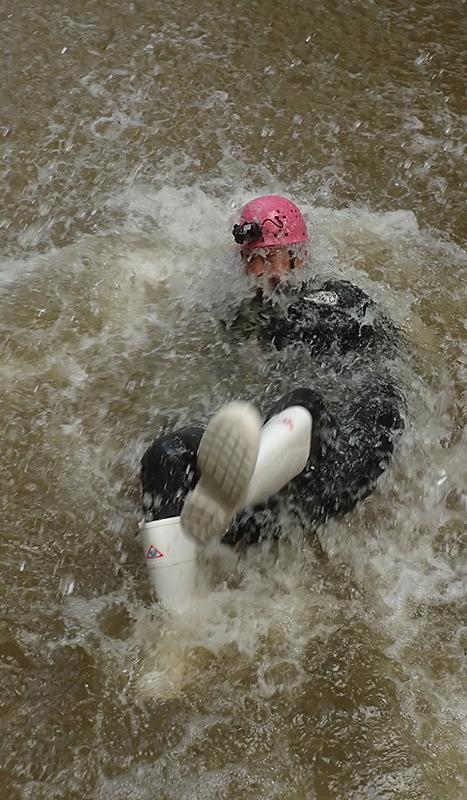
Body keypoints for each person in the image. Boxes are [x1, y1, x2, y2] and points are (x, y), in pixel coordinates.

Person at [138, 196, 410, 610]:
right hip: (274, 487)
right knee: (166, 455)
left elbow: (320, 327)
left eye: (270, 258)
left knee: (303, 401)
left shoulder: (338, 298)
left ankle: (233, 490)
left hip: (339, 469)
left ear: (299, 257)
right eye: (250, 260)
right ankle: (178, 619)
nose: (259, 272)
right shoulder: (240, 315)